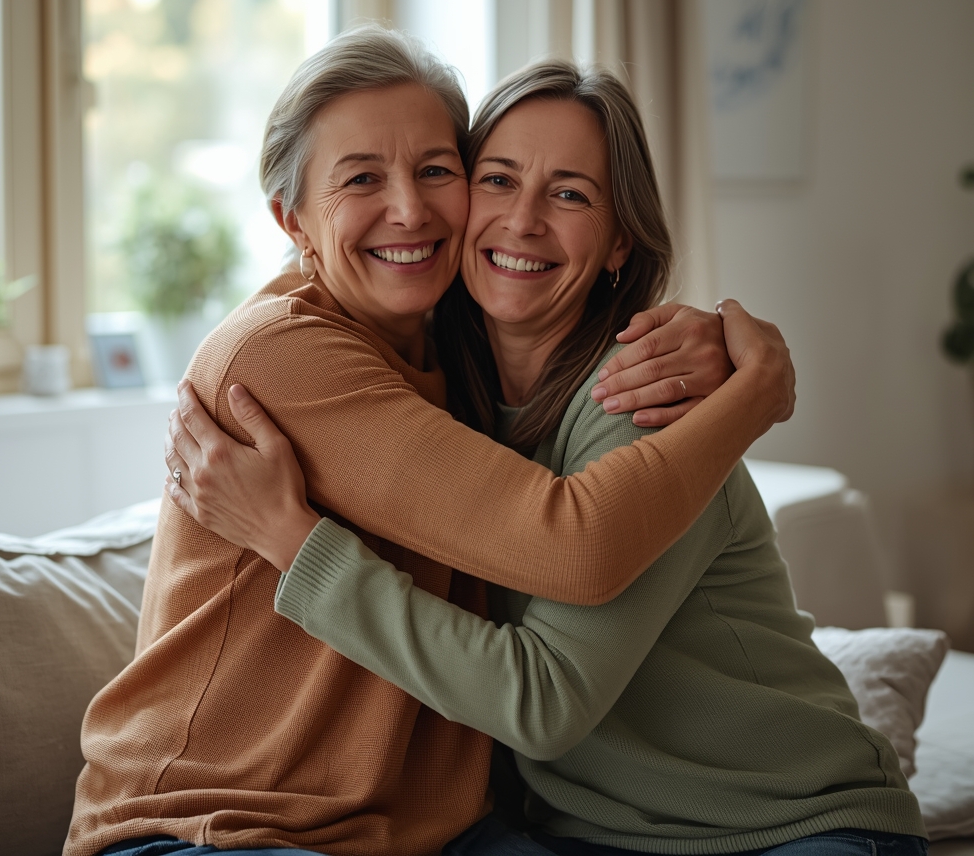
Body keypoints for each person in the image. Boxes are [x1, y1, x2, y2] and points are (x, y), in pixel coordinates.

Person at [166, 61, 926, 856]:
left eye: (569, 194)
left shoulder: (650, 402)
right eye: (497, 179)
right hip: (584, 833)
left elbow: (542, 699)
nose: (523, 220)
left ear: (619, 245)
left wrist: (758, 384)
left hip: (777, 825)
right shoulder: (434, 393)